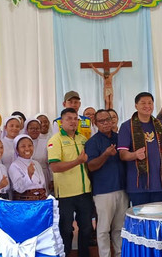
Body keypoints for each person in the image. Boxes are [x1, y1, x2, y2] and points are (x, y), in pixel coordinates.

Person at [47, 108, 92, 257]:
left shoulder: (83, 139)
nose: (73, 121)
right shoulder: (55, 140)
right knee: (66, 229)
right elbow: (54, 167)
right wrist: (77, 161)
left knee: (86, 228)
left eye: (75, 119)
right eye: (69, 118)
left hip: (84, 191)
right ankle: (65, 254)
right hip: (65, 193)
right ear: (61, 122)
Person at [85, 110, 128, 257]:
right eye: (101, 121)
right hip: (103, 191)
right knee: (103, 229)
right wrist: (105, 154)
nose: (105, 123)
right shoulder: (93, 142)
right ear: (95, 124)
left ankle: (120, 254)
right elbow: (91, 166)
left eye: (108, 120)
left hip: (122, 189)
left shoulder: (120, 138)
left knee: (119, 228)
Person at [118, 92, 162, 206]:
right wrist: (134, 155)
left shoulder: (160, 125)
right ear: (136, 105)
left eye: (150, 103)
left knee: (159, 219)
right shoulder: (127, 126)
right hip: (138, 185)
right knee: (140, 219)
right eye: (143, 103)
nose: (147, 106)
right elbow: (122, 154)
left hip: (160, 184)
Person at [10, 135, 48, 200]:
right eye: (23, 146)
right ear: (17, 149)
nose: (27, 149)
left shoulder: (36, 163)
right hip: (25, 204)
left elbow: (43, 185)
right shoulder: (14, 165)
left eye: (30, 145)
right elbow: (18, 188)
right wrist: (29, 175)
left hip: (41, 202)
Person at [23, 118, 52, 191]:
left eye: (37, 128)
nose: (34, 130)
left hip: (44, 174)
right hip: (26, 174)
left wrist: (52, 179)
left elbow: (50, 163)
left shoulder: (45, 142)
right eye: (32, 128)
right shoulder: (22, 143)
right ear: (27, 129)